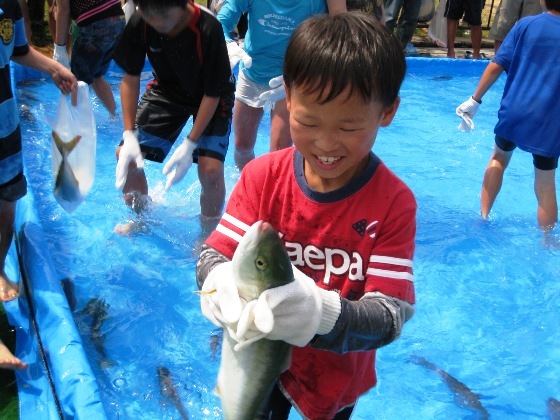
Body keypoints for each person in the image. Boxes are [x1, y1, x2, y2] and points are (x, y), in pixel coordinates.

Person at [197, 12, 416, 419]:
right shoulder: (263, 177)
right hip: (257, 360)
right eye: (308, 121)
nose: (326, 142)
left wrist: (321, 314)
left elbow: (390, 317)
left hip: (337, 375)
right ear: (288, 100)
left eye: (349, 127)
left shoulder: (393, 202)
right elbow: (214, 254)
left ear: (387, 112)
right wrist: (216, 281)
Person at [112, 0, 235, 231]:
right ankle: (141, 220)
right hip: (168, 91)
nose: (158, 24)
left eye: (165, 18)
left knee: (209, 170)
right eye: (151, 18)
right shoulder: (141, 20)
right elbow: (130, 77)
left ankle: (209, 233)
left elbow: (212, 93)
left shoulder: (208, 27)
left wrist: (190, 144)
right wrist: (129, 134)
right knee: (125, 156)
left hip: (212, 95)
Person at [456, 0, 560, 233]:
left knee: (498, 158)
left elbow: (497, 64)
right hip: (550, 119)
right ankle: (547, 241)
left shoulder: (526, 25)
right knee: (545, 183)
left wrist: (475, 99)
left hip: (515, 110)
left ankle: (483, 217)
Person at [1, 0, 77, 302]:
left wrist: (55, 67)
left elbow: (19, 51)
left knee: (6, 206)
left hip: (5, 126)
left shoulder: (9, 6)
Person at [217, 0, 347, 170]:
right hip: (252, 73)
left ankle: (273, 194)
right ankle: (249, 185)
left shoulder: (313, 3)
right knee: (242, 148)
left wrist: (305, 74)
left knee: (279, 151)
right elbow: (222, 21)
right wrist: (226, 44)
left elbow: (324, 41)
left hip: (289, 80)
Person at [53, 0, 125, 116]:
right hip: (118, 19)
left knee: (77, 81)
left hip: (96, 23)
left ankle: (78, 124)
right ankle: (114, 116)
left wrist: (59, 48)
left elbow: (64, 9)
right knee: (96, 75)